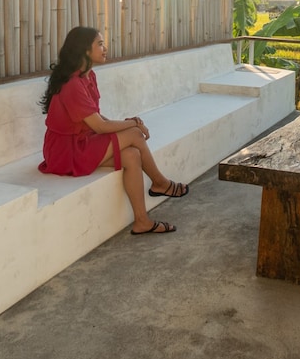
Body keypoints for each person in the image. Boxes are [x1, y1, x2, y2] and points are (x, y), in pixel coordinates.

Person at [38, 26, 188, 235]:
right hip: (65, 151)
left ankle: (142, 221)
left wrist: (131, 122)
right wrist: (134, 124)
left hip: (82, 141)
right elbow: (100, 126)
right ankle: (160, 183)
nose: (105, 48)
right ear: (85, 50)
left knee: (132, 155)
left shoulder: (88, 77)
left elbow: (96, 119)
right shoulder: (73, 84)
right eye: (99, 44)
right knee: (135, 135)